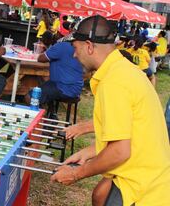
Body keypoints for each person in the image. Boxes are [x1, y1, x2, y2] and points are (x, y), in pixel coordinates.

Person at [51, 15, 170, 205]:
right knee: (100, 194)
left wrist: (76, 174)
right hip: (153, 180)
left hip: (143, 191)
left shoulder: (113, 82)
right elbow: (130, 132)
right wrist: (89, 152)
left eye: (76, 48)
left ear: (89, 46)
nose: (74, 55)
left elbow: (120, 151)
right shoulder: (124, 71)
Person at [27, 39, 83, 118]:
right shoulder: (81, 47)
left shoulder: (62, 46)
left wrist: (45, 51)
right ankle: (52, 114)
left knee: (30, 97)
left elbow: (41, 59)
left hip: (62, 87)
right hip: (76, 89)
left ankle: (44, 121)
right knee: (43, 83)